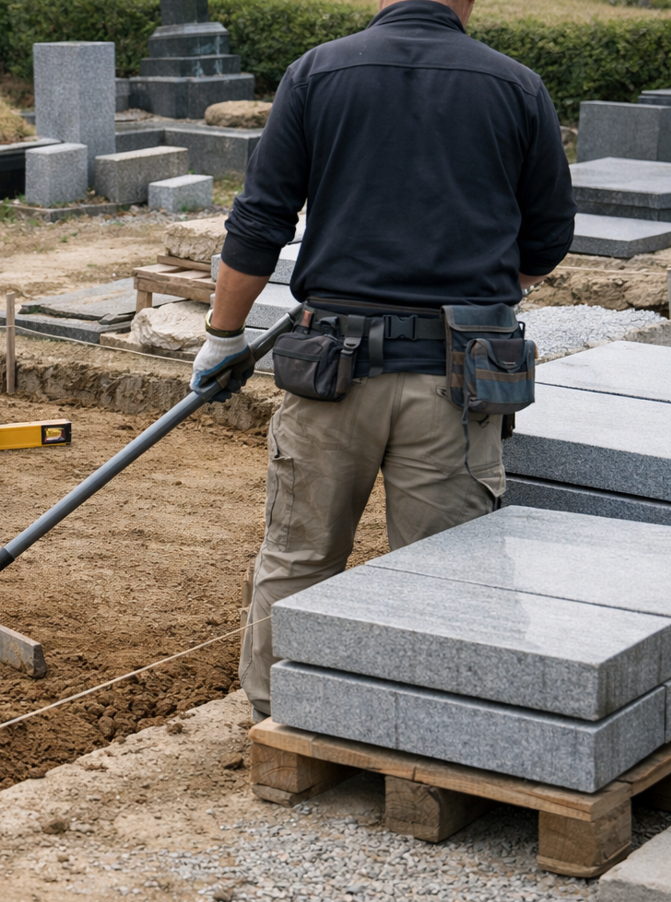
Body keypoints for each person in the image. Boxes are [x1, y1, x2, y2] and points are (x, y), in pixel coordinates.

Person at [188, 0, 576, 718]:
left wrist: (223, 336)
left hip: (332, 372)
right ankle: (433, 728)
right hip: (456, 381)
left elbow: (259, 221)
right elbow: (550, 235)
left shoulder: (317, 73)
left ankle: (282, 715)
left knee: (300, 558)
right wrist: (484, 285)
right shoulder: (516, 86)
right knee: (449, 575)